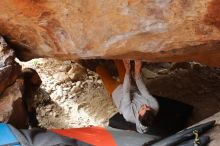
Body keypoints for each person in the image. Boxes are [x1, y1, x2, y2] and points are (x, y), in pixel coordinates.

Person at [96, 60, 159, 133]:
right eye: (147, 107)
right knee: (122, 64)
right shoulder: (154, 105)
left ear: (138, 115)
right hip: (132, 89)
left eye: (142, 108)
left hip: (119, 94)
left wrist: (128, 72)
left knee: (103, 74)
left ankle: (95, 64)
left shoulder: (128, 115)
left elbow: (125, 92)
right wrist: (137, 73)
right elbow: (143, 89)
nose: (144, 105)